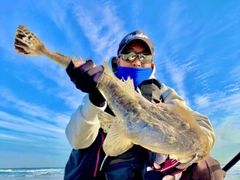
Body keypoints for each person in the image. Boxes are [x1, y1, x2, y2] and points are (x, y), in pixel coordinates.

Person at [64, 30, 225, 180]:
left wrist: (169, 172)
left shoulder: (164, 92)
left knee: (208, 167)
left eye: (144, 57)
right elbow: (77, 141)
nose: (136, 62)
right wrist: (94, 100)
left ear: (152, 65)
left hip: (150, 171)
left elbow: (202, 125)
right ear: (118, 59)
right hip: (106, 172)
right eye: (129, 55)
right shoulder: (99, 85)